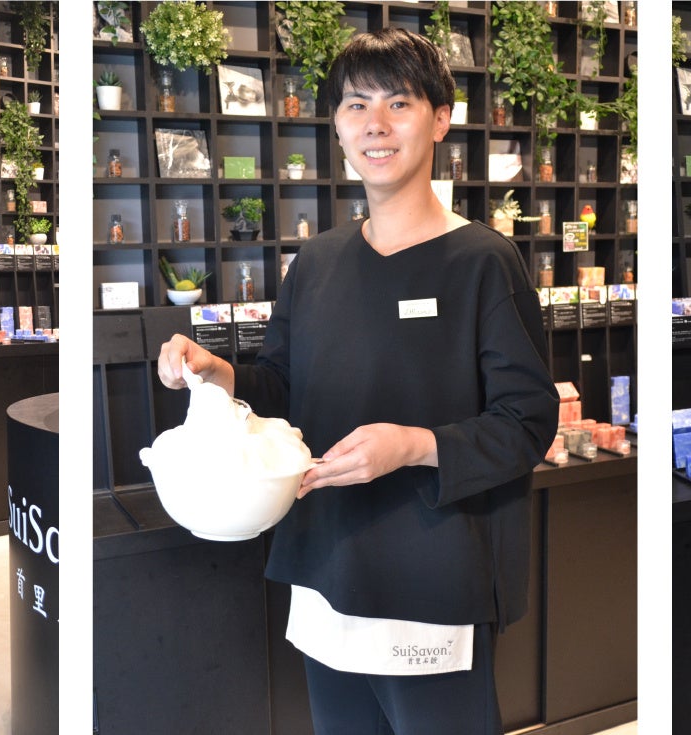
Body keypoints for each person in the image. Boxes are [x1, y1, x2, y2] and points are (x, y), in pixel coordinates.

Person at [155, 28, 559, 734]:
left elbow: (527, 421)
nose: (375, 123)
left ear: (440, 119)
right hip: (327, 564)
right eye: (355, 105)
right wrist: (220, 375)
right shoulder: (316, 261)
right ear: (338, 125)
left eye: (398, 103)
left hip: (433, 575)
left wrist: (413, 446)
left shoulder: (483, 261)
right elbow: (285, 386)